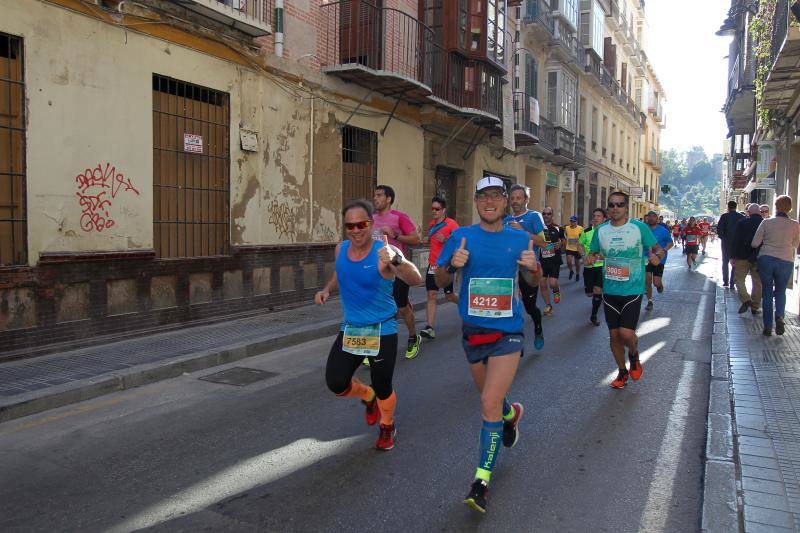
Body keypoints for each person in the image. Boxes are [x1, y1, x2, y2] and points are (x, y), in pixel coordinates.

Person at [435, 176, 541, 514]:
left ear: (506, 202)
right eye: (484, 197)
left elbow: (532, 279)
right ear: (477, 202)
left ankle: (480, 482)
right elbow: (438, 280)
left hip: (508, 332)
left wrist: (532, 269)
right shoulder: (460, 236)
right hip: (473, 332)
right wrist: (451, 266)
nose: (490, 202)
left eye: (497, 196)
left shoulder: (521, 237)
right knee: (494, 403)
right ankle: (512, 416)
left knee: (488, 402)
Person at [315, 199, 423, 451]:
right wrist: (326, 289)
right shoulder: (341, 249)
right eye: (350, 226)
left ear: (371, 224)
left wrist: (398, 261)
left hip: (382, 329)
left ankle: (387, 425)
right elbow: (341, 272)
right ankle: (368, 396)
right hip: (351, 329)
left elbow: (415, 279)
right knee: (336, 382)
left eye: (361, 224)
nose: (355, 230)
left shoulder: (383, 253)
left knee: (383, 384)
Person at [585, 191, 663, 389]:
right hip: (610, 289)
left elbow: (657, 249)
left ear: (626, 207)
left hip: (633, 288)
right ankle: (622, 372)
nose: (615, 208)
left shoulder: (639, 228)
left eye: (619, 204)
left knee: (626, 334)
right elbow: (592, 252)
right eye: (611, 205)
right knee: (614, 336)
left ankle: (634, 355)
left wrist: (657, 257)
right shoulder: (601, 230)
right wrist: (590, 257)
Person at [372, 185, 423, 359]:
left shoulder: (399, 217)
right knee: (377, 308)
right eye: (374, 196)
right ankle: (374, 346)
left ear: (388, 199)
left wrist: (395, 235)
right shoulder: (371, 219)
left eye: (379, 195)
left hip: (398, 270)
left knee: (401, 307)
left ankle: (413, 338)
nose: (375, 198)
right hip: (378, 271)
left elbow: (416, 239)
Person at [504, 184, 547, 350]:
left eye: (519, 198)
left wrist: (523, 231)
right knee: (510, 308)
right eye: (512, 198)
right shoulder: (506, 220)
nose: (515, 201)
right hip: (509, 271)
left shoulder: (535, 216)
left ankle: (538, 326)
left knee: (530, 308)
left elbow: (546, 243)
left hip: (529, 271)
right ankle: (516, 341)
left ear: (526, 200)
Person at [752, 195, 800, 336]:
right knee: (780, 291)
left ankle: (767, 327)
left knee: (767, 292)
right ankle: (779, 316)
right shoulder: (796, 225)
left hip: (766, 258)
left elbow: (754, 243)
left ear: (776, 206)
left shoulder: (766, 222)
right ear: (790, 207)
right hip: (786, 260)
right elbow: (796, 245)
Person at [420, 196, 459, 340]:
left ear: (443, 210)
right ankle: (429, 327)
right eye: (432, 209)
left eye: (437, 209)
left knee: (449, 296)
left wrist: (447, 240)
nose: (434, 212)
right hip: (433, 264)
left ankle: (465, 306)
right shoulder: (432, 225)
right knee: (431, 295)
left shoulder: (452, 224)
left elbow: (460, 243)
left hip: (446, 265)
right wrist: (425, 241)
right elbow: (431, 243)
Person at [731, 203, 763, 316]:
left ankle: (746, 299)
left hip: (741, 256)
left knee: (738, 279)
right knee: (757, 281)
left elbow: (735, 240)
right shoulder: (764, 223)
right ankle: (755, 306)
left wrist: (732, 256)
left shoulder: (742, 223)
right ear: (760, 212)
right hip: (758, 257)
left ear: (748, 212)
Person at [579, 208, 607, 325]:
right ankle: (598, 299)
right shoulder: (586, 231)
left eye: (599, 216)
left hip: (601, 267)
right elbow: (579, 245)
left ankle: (593, 315)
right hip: (588, 267)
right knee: (589, 293)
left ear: (604, 219)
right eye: (594, 216)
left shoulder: (607, 232)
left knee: (597, 290)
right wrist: (584, 256)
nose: (595, 218)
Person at [644, 210, 674, 311]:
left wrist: (663, 250)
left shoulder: (663, 230)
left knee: (656, 282)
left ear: (657, 218)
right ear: (647, 218)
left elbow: (670, 243)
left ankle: (659, 285)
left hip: (659, 259)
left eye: (653, 216)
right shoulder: (644, 229)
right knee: (647, 280)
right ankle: (650, 301)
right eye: (649, 216)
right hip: (646, 258)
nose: (651, 218)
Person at [538, 207, 566, 315]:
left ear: (552, 215)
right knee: (542, 283)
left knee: (552, 282)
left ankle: (556, 289)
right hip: (543, 261)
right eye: (544, 213)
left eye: (548, 213)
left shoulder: (558, 228)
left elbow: (564, 240)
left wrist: (561, 243)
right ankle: (548, 306)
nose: (546, 215)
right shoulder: (539, 228)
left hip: (554, 260)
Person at [717, 201, 745, 288]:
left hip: (726, 242)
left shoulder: (724, 216)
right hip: (737, 243)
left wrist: (722, 237)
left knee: (725, 261)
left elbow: (719, 229)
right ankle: (732, 282)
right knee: (735, 262)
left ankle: (726, 281)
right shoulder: (742, 217)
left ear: (728, 207)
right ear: (736, 207)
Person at [564, 216, 584, 281]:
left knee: (577, 263)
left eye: (573, 221)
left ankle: (577, 273)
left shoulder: (580, 228)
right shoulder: (567, 228)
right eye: (571, 221)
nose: (572, 222)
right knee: (568, 261)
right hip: (569, 248)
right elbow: (565, 235)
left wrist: (581, 246)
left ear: (576, 222)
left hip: (577, 248)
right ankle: (571, 271)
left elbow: (582, 238)